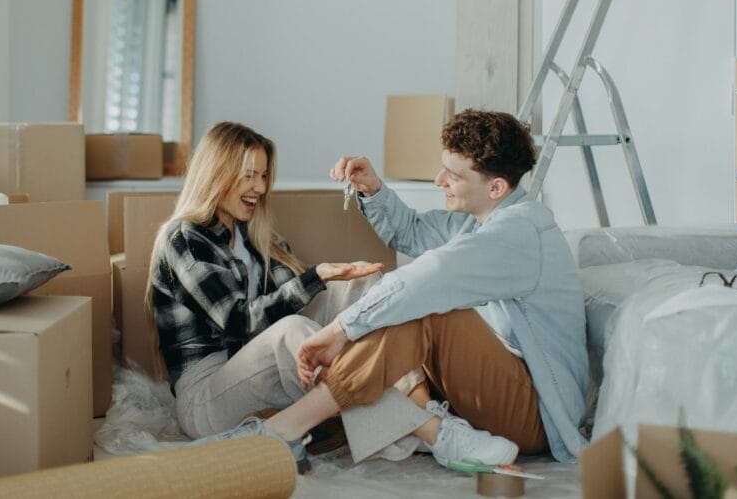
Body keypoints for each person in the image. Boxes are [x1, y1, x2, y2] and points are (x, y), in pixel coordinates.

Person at [200, 109, 589, 469]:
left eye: (453, 176)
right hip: (498, 387)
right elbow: (414, 231)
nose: (440, 181)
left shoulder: (520, 232)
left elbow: (429, 275)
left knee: (428, 309)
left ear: (497, 187)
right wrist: (372, 188)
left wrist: (340, 330)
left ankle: (283, 430)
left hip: (538, 413)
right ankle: (409, 426)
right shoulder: (479, 220)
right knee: (403, 306)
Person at [144, 121, 383, 467]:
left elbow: (298, 299)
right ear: (217, 175)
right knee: (293, 332)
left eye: (264, 176)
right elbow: (237, 321)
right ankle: (402, 414)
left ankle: (379, 392)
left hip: (253, 367)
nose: (260, 187)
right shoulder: (185, 239)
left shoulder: (255, 236)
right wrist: (314, 276)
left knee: (361, 282)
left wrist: (330, 280)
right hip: (207, 394)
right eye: (248, 176)